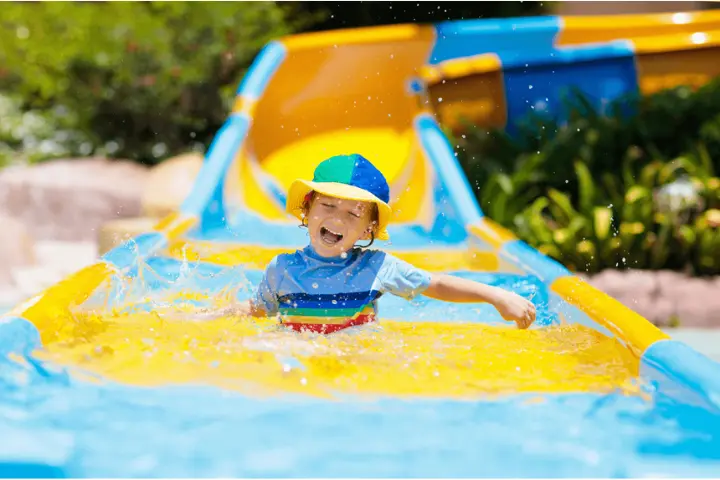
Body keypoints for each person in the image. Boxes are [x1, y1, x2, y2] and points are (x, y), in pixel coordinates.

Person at [200, 154, 536, 334]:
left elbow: (438, 284)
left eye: (354, 212)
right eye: (328, 205)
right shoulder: (282, 269)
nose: (338, 218)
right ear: (307, 209)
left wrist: (497, 295)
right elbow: (258, 311)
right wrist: (210, 316)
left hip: (356, 355)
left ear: (368, 228)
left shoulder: (376, 267)